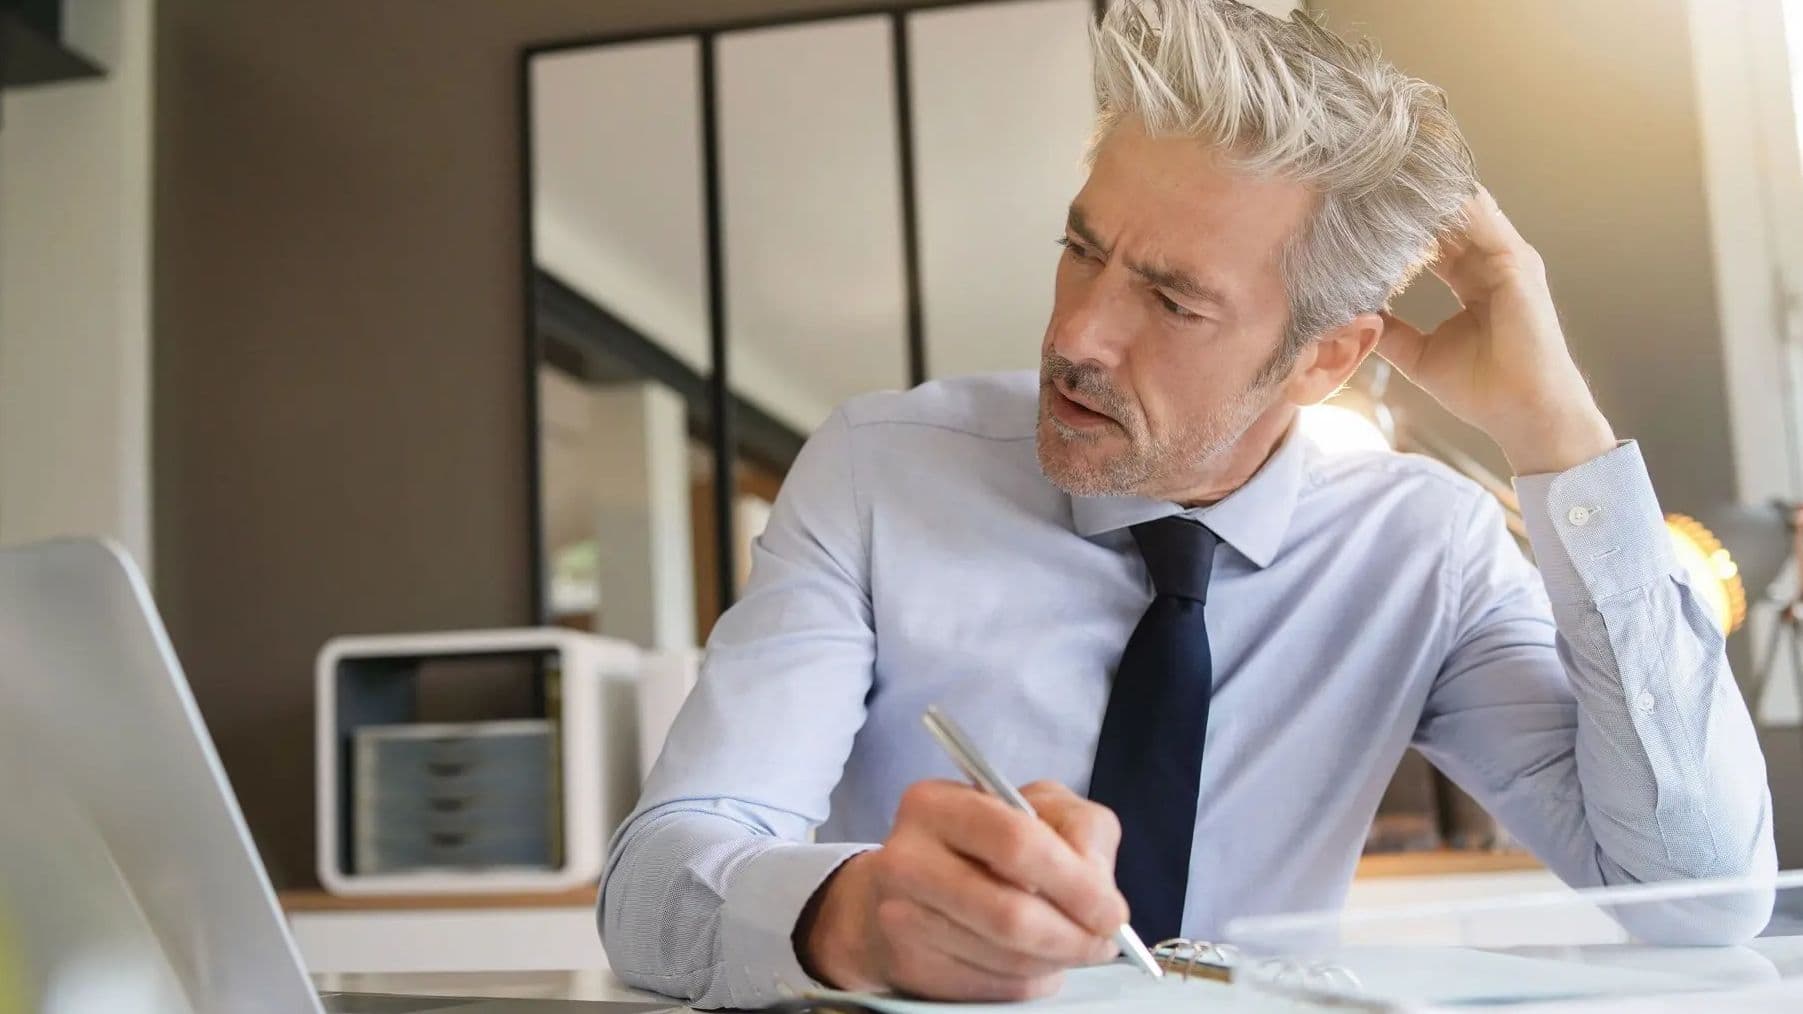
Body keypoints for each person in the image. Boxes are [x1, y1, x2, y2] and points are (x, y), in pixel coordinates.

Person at [598, 1, 1777, 1006]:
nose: (1076, 335)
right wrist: (845, 919)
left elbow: (1701, 899)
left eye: (1170, 300)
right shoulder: (878, 471)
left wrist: (1557, 438)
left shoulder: (1429, 551)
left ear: (1328, 359)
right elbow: (656, 886)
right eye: (1082, 247)